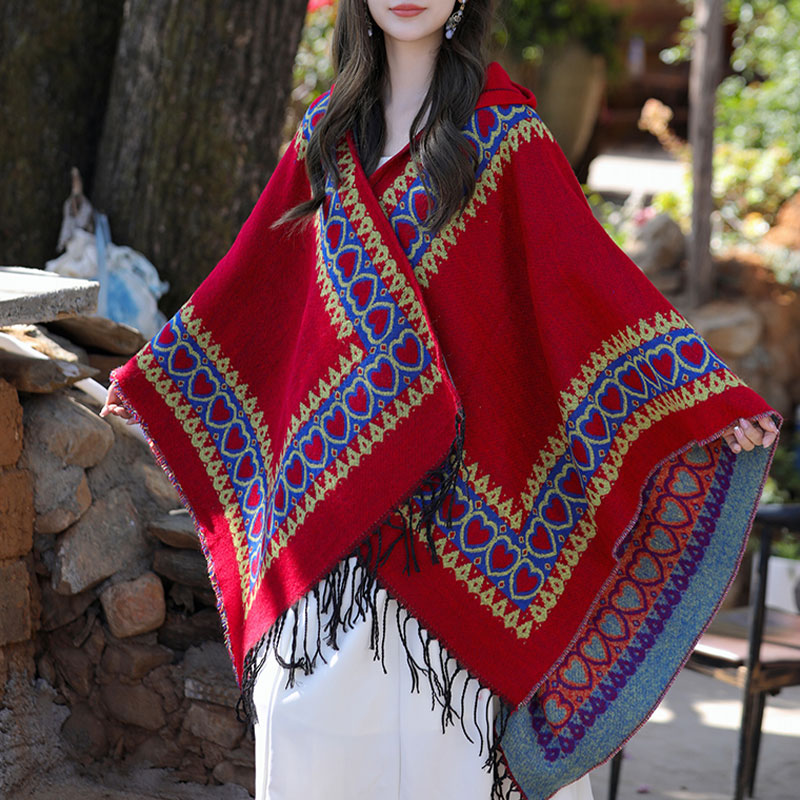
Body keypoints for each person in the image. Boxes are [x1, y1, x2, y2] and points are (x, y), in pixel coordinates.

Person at [101, 1, 780, 798]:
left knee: (447, 760)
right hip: (330, 540)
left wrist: (698, 395)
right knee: (310, 736)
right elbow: (255, 289)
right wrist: (162, 380)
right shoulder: (323, 140)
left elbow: (583, 283)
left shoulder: (504, 137)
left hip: (461, 532)